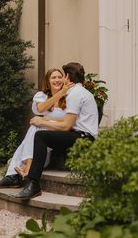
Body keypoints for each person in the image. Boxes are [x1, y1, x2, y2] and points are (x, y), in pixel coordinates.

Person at [14, 62, 98, 200]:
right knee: (41, 132)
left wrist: (43, 121)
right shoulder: (79, 91)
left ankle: (33, 183)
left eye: (62, 76)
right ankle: (29, 173)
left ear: (67, 77)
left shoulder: (75, 94)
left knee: (41, 136)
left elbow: (66, 126)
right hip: (78, 134)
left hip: (84, 138)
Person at [0, 68, 73, 189]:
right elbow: (40, 109)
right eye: (53, 77)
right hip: (42, 137)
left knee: (36, 127)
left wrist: (46, 120)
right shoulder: (41, 95)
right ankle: (25, 170)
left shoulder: (70, 97)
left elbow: (69, 121)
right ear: (48, 81)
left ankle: (15, 175)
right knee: (35, 128)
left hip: (59, 132)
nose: (57, 80)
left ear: (64, 79)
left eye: (60, 77)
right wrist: (60, 93)